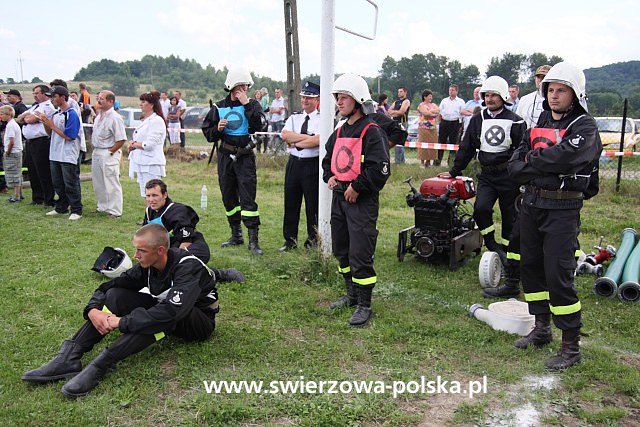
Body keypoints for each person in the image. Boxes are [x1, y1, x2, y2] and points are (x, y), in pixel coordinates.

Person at [22, 223, 221, 397]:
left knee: (163, 317)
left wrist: (121, 322)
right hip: (168, 309)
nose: (135, 255)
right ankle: (69, 357)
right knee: (116, 295)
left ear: (160, 250)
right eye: (136, 249)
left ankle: (101, 365)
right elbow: (107, 288)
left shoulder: (187, 267)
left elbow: (172, 313)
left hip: (198, 321)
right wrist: (92, 310)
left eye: (141, 251)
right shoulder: (147, 265)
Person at [508, 62, 602, 370]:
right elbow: (514, 165)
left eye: (561, 90)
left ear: (575, 93)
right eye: (550, 90)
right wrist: (544, 163)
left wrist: (532, 160)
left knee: (558, 274)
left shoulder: (585, 126)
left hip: (563, 208)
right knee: (531, 269)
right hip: (532, 204)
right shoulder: (537, 122)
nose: (554, 96)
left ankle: (570, 345)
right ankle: (542, 328)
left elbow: (569, 156)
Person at [322, 73, 390, 328]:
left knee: (360, 252)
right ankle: (351, 294)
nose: (339, 102)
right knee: (342, 249)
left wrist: (357, 188)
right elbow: (328, 159)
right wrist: (329, 176)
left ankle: (364, 304)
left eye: (343, 98)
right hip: (339, 199)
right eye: (337, 98)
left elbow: (380, 169)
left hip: (361, 202)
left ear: (358, 100)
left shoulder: (372, 132)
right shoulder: (340, 130)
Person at [442, 76, 525, 267]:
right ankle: (491, 243)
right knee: (480, 210)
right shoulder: (477, 119)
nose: (489, 99)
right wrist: (454, 171)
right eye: (487, 95)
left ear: (503, 96)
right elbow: (467, 147)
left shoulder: (516, 122)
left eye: (494, 95)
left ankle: (507, 255)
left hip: (509, 178)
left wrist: (522, 176)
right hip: (487, 175)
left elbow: (522, 151)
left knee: (509, 217)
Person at [201, 68, 265, 255]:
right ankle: (236, 235)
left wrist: (247, 105)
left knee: (247, 198)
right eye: (241, 86)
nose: (244, 89)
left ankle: (254, 240)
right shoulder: (219, 107)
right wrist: (218, 129)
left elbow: (259, 125)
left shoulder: (253, 104)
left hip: (245, 158)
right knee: (228, 196)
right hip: (225, 157)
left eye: (246, 86)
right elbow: (208, 133)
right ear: (232, 87)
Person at [279, 81, 321, 252]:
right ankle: (290, 241)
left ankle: (313, 240)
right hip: (294, 164)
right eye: (303, 97)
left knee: (313, 205)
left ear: (317, 100)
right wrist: (306, 138)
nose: (305, 101)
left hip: (312, 165)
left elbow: (317, 140)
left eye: (309, 98)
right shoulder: (294, 117)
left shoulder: (322, 120)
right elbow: (285, 135)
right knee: (291, 203)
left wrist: (298, 140)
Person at [36, 86, 83, 220]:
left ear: (63, 97)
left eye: (54, 96)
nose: (52, 99)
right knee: (58, 183)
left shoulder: (71, 114)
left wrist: (51, 125)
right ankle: (61, 207)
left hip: (68, 154)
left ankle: (76, 209)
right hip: (55, 153)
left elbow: (70, 136)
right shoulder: (56, 114)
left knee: (70, 183)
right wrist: (45, 122)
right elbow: (50, 133)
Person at [142, 179, 211, 263]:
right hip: (171, 246)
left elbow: (186, 241)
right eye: (148, 196)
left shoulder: (177, 211)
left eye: (155, 195)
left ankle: (216, 273)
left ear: (165, 195)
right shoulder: (149, 212)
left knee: (177, 263)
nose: (151, 200)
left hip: (192, 246)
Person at [16, 85, 56, 207]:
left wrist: (27, 117)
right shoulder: (34, 106)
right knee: (32, 171)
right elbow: (19, 119)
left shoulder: (48, 106)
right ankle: (37, 197)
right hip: (30, 142)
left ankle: (48, 198)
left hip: (41, 141)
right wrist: (26, 116)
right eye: (33, 93)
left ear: (44, 94)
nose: (34, 95)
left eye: (37, 93)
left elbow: (30, 119)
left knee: (43, 171)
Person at [91, 90, 127, 218]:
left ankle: (115, 210)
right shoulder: (98, 115)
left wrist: (110, 152)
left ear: (111, 101)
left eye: (102, 99)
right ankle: (102, 206)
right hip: (96, 151)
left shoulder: (115, 118)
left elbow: (121, 138)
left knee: (111, 181)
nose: (99, 101)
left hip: (108, 151)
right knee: (98, 182)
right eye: (99, 98)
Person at [128, 91, 167, 198]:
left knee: (153, 195)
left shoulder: (157, 121)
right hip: (142, 163)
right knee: (146, 195)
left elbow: (149, 145)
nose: (141, 104)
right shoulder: (146, 120)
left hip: (151, 164)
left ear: (152, 104)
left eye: (144, 102)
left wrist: (134, 144)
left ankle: (156, 215)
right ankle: (148, 215)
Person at [437, 84, 465, 166]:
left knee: (453, 142)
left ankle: (451, 162)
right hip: (444, 122)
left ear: (456, 91)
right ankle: (438, 160)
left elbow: (462, 114)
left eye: (452, 90)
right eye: (450, 90)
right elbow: (440, 112)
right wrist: (440, 122)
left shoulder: (461, 101)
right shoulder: (444, 101)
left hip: (455, 123)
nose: (451, 91)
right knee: (441, 142)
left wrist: (461, 125)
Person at [1, 105, 23, 202]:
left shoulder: (10, 125)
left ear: (8, 114)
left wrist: (8, 152)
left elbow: (11, 141)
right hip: (17, 152)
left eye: (2, 114)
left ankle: (17, 195)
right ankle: (20, 194)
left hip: (13, 153)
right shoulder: (12, 124)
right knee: (17, 172)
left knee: (14, 173)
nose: (1, 116)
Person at [386, 86, 410, 164]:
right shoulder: (396, 102)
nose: (399, 93)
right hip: (395, 123)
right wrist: (395, 113)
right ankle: (398, 161)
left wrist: (394, 112)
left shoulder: (406, 101)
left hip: (403, 123)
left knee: (400, 142)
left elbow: (401, 112)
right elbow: (388, 111)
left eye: (401, 91)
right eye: (398, 91)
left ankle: (400, 161)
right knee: (395, 142)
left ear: (405, 92)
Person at [416, 89, 440, 167]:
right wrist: (432, 113)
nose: (431, 98)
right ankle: (422, 162)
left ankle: (428, 161)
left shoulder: (433, 104)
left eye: (431, 96)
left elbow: (438, 110)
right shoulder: (421, 105)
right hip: (424, 127)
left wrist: (431, 112)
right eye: (429, 96)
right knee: (423, 144)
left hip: (433, 128)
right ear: (425, 97)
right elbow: (425, 113)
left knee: (432, 144)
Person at [269, 87, 286, 152]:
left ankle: (281, 150)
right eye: (275, 92)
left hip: (279, 120)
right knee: (274, 135)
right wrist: (275, 110)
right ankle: (274, 149)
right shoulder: (273, 101)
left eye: (278, 92)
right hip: (273, 120)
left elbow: (279, 111)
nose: (276, 94)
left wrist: (275, 110)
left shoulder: (282, 100)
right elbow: (271, 110)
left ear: (281, 92)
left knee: (280, 136)